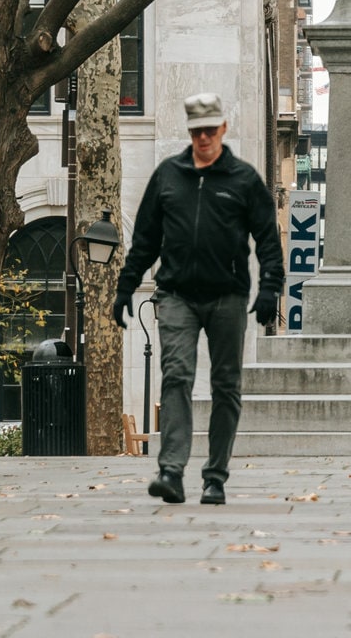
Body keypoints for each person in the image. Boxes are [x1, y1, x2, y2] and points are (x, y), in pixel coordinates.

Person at [112, 93, 282, 506]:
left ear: (223, 129)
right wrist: (125, 286)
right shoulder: (168, 176)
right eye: (196, 131)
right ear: (189, 132)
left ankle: (215, 477)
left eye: (210, 130)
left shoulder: (243, 180)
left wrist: (270, 290)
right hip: (177, 295)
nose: (204, 137)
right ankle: (170, 470)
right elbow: (146, 240)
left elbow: (268, 240)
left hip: (227, 295)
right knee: (176, 376)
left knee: (226, 386)